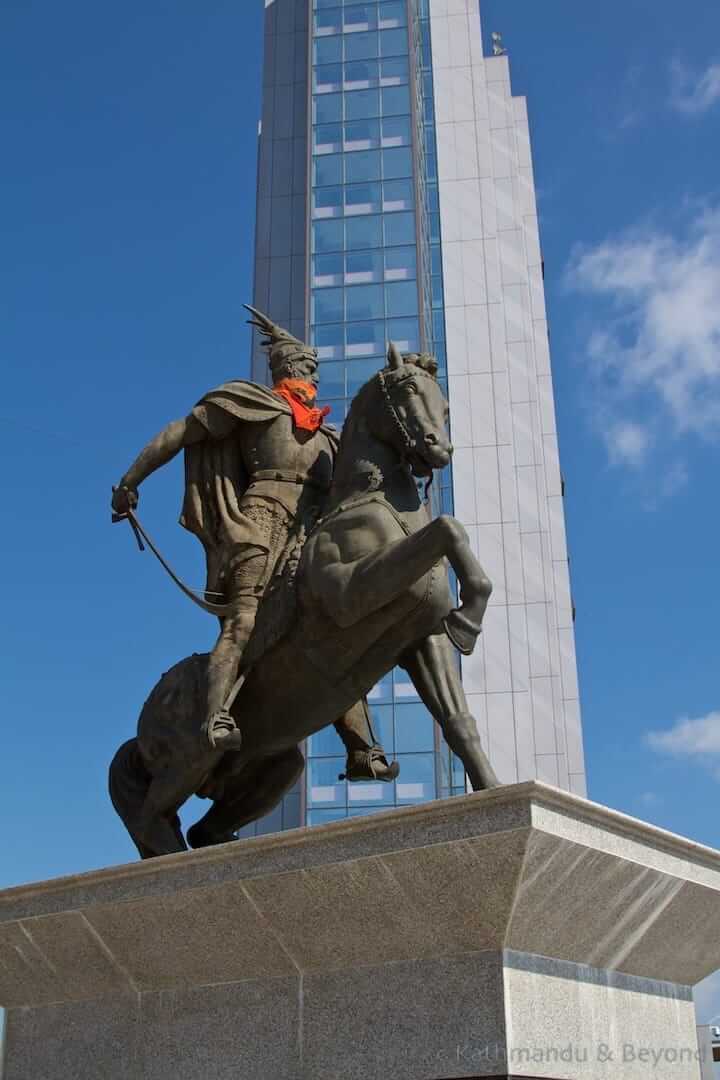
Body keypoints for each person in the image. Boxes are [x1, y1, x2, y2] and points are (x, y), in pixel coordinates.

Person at [111, 306, 398, 782]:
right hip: (261, 522)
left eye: (314, 368)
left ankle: (362, 750)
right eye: (305, 366)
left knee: (339, 626)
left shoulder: (330, 434)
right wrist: (131, 479)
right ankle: (215, 715)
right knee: (243, 621)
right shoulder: (251, 403)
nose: (312, 374)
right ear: (284, 366)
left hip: (316, 533)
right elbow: (180, 432)